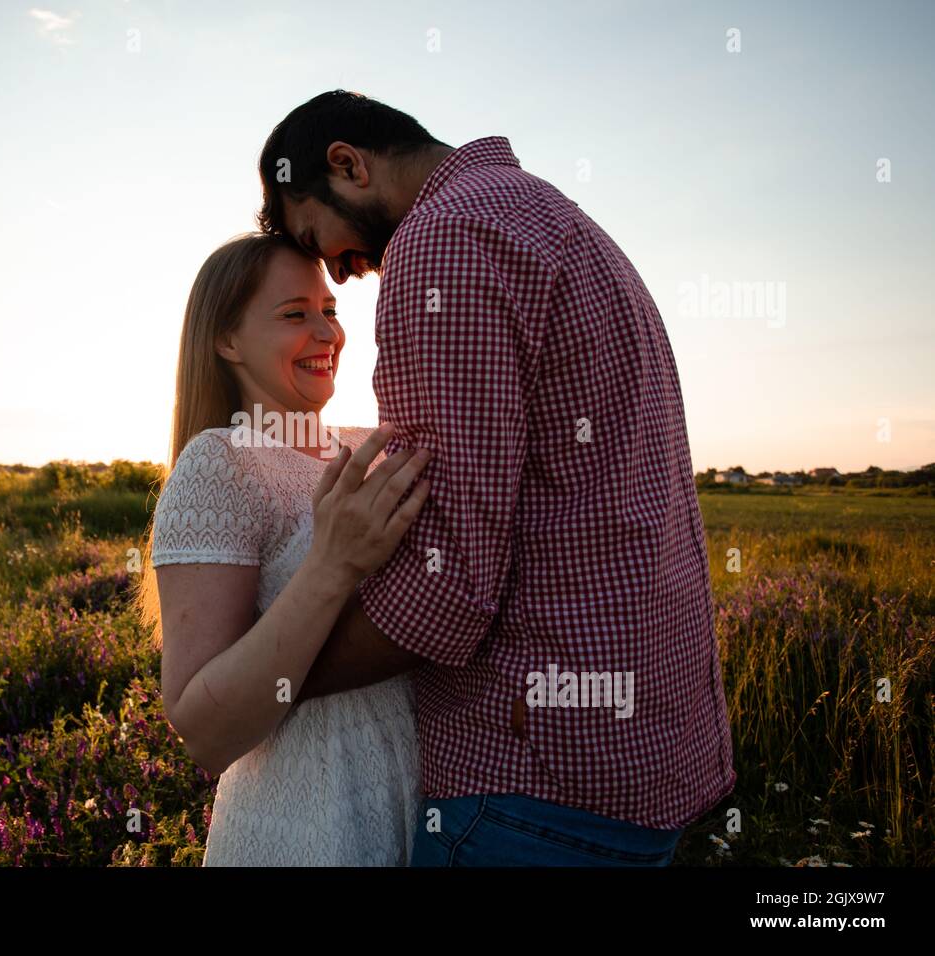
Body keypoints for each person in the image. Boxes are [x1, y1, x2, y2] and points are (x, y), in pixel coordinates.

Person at [254, 90, 736, 866]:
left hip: (529, 781)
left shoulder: (442, 240)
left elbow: (444, 585)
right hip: (645, 757)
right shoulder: (557, 218)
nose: (340, 276)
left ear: (348, 164)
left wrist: (266, 685)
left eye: (323, 238)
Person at [135, 232, 432, 865]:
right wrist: (332, 565)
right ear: (227, 340)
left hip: (422, 809)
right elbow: (205, 734)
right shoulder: (220, 464)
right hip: (305, 829)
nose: (327, 333)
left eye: (329, 310)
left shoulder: (367, 444)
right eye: (294, 314)